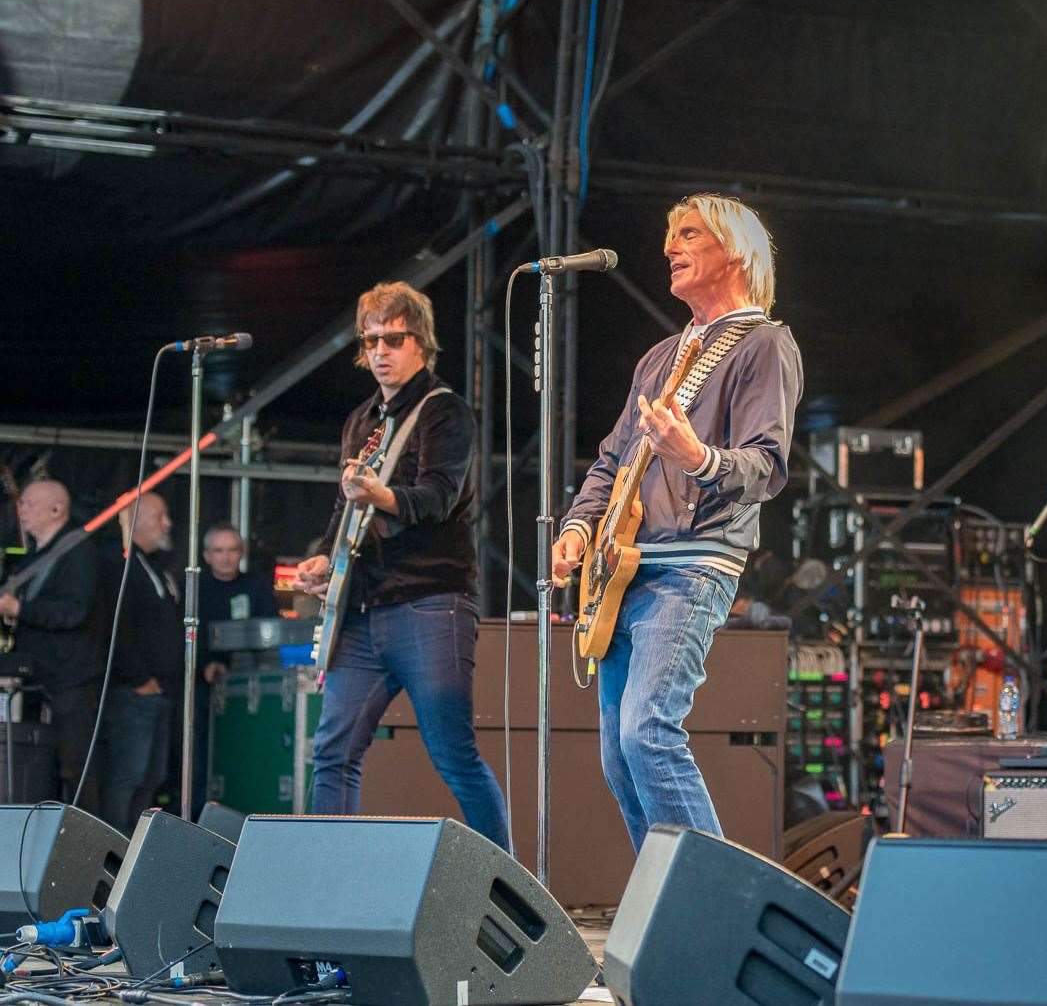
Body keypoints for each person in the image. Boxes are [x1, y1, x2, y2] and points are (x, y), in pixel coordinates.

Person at [552, 195, 803, 851]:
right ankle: (666, 915)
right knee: (619, 756)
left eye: (689, 234)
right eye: (670, 236)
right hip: (620, 569)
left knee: (647, 733)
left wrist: (695, 455)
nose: (670, 247)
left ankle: (715, 907)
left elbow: (767, 465)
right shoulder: (661, 357)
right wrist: (579, 527)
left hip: (692, 565)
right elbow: (612, 460)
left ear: (736, 250)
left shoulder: (763, 345)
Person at [293, 281, 509, 849]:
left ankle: (512, 889)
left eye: (394, 338)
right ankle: (323, 893)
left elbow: (439, 497)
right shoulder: (361, 419)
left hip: (429, 604)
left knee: (453, 754)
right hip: (363, 611)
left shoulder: (445, 411)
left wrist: (381, 496)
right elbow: (345, 510)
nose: (382, 351)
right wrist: (324, 558)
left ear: (422, 343)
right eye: (372, 341)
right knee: (332, 751)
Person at [0, 480, 103, 809]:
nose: (21, 510)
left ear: (57, 509)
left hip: (70, 679)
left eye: (29, 504)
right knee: (36, 763)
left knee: (75, 766)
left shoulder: (78, 551)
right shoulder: (33, 557)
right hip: (37, 677)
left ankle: (83, 843)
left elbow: (74, 612)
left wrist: (20, 609)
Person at [181, 522, 277, 812]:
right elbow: (179, 639)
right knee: (203, 753)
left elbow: (271, 632)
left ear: (242, 553)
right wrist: (203, 667)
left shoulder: (256, 585)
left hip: (251, 685)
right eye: (218, 551)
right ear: (206, 555)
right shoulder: (195, 590)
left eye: (232, 550)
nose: (225, 557)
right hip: (202, 687)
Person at [102, 492, 182, 833]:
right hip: (135, 691)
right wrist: (137, 678)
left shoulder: (155, 567)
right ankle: (115, 852)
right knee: (128, 776)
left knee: (151, 777)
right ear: (134, 520)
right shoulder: (120, 567)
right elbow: (116, 629)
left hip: (159, 689)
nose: (168, 523)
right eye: (159, 515)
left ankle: (136, 850)